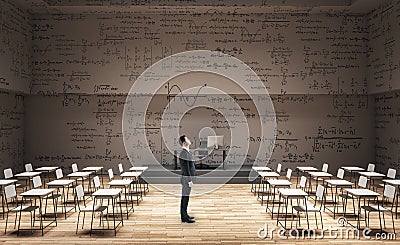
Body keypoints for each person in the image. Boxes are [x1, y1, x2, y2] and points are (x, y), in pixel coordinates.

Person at [179, 135, 196, 223]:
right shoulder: (183, 153)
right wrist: (189, 180)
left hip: (188, 179)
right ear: (184, 142)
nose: (189, 140)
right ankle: (184, 217)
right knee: (185, 197)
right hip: (186, 180)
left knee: (186, 197)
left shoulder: (187, 152)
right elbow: (186, 169)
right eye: (187, 139)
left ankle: (185, 215)